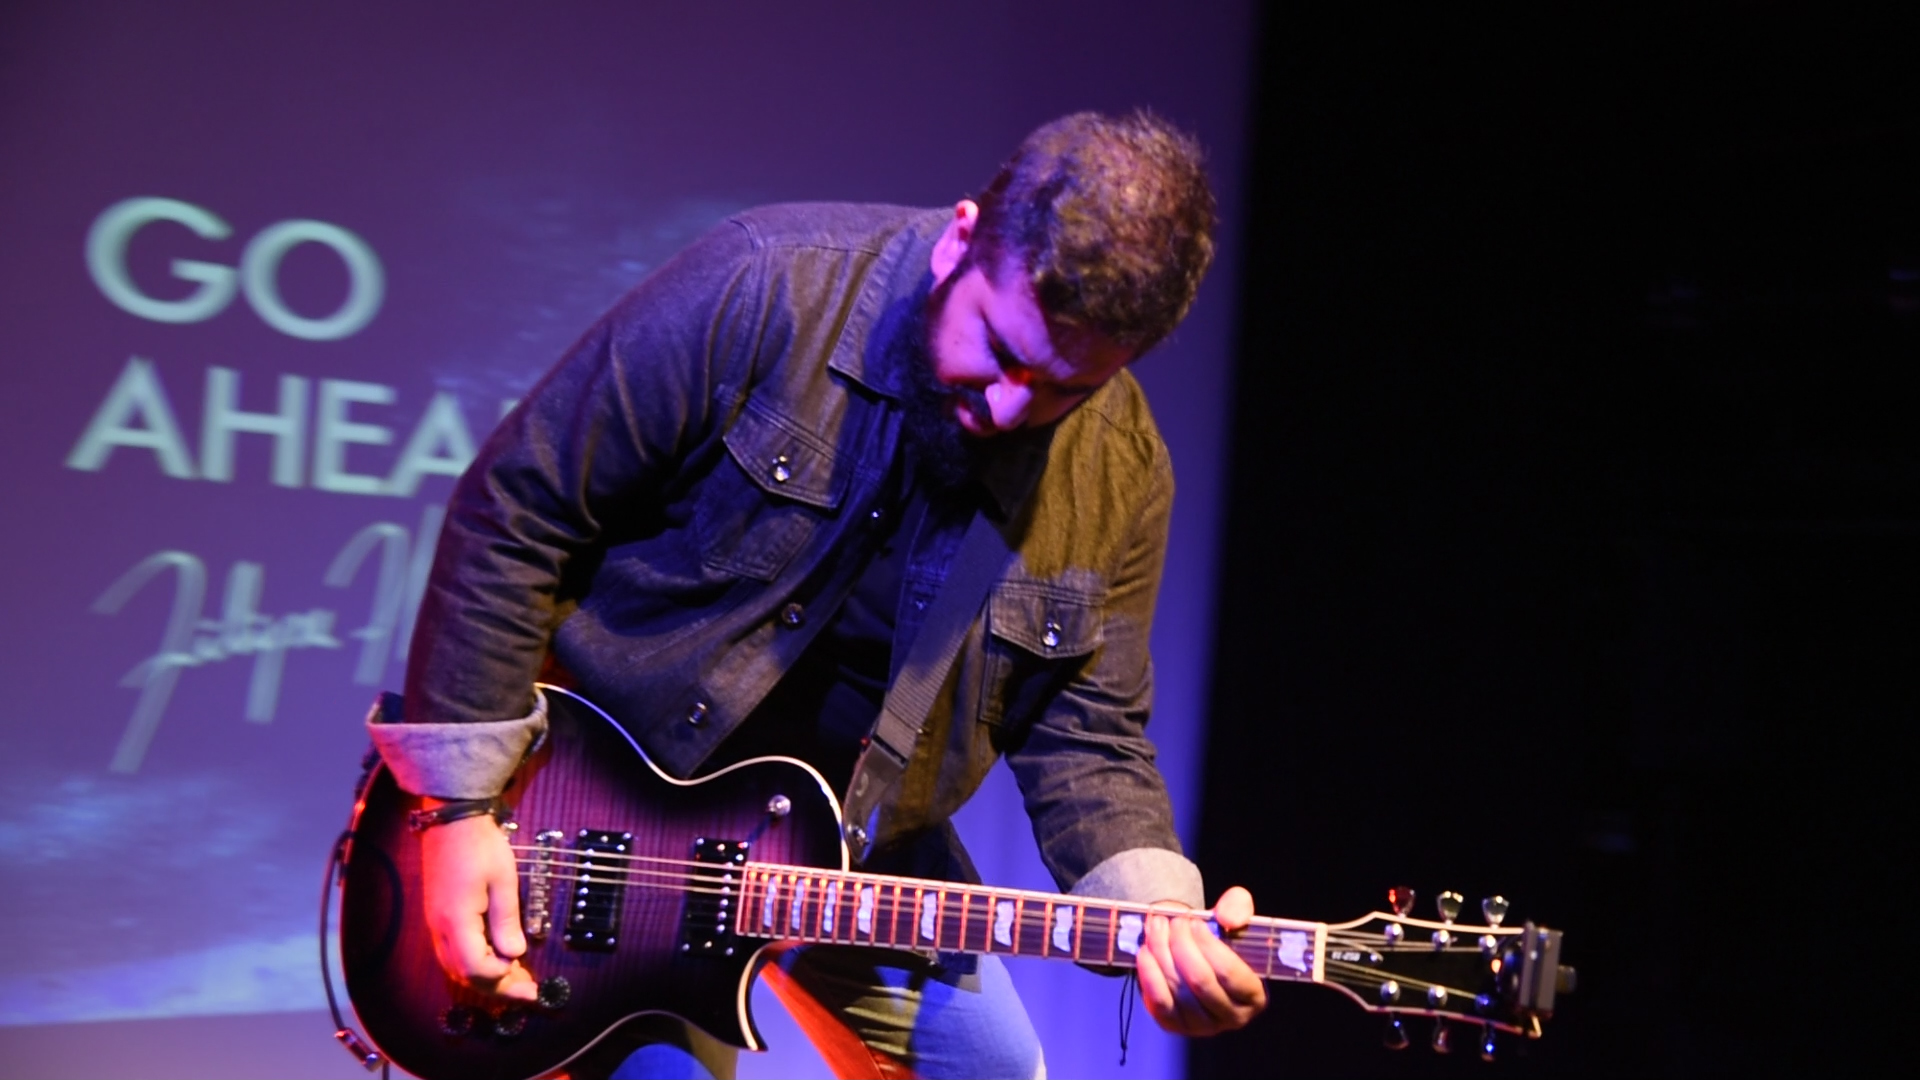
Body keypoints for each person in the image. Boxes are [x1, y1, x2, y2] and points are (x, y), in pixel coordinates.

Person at [367, 109, 1266, 1079]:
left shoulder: (1122, 474)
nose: (1009, 406)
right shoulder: (768, 281)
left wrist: (1160, 915)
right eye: (1000, 350)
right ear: (962, 237)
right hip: (606, 814)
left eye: (1061, 390)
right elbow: (520, 503)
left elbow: (1088, 734)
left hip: (858, 841)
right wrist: (454, 814)